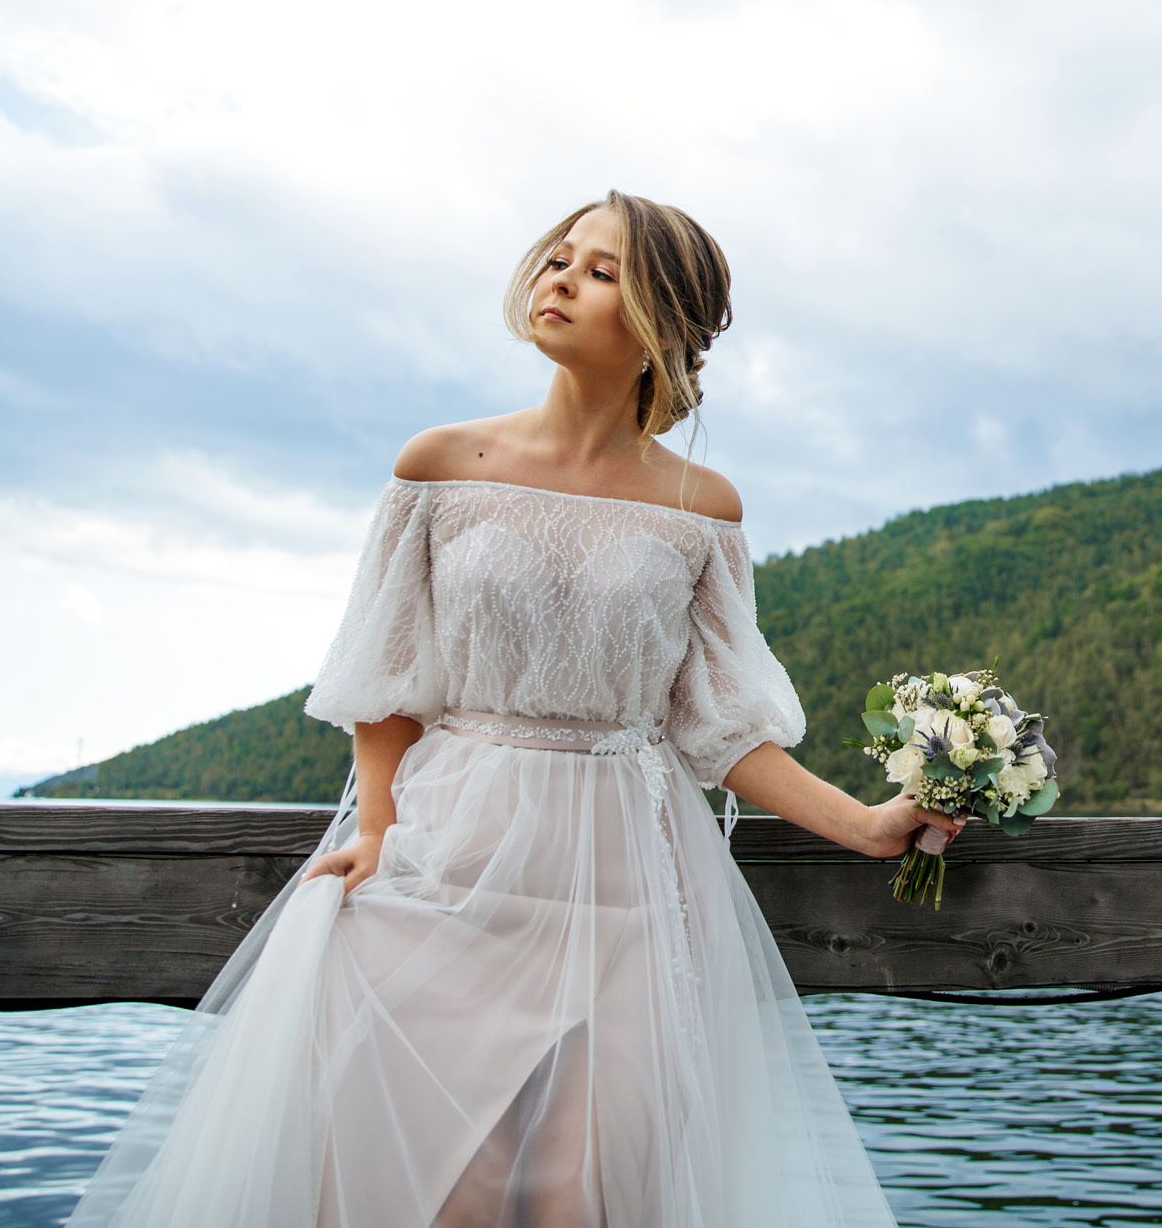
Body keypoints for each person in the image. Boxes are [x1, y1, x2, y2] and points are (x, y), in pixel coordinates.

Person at [69, 191, 963, 1227]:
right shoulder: (442, 466)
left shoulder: (702, 507)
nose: (560, 280)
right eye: (558, 258)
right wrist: (373, 830)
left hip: (631, 870)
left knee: (587, 1194)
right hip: (452, 855)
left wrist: (865, 824)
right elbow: (389, 677)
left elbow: (719, 723)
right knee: (447, 1191)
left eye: (601, 271)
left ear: (663, 325)